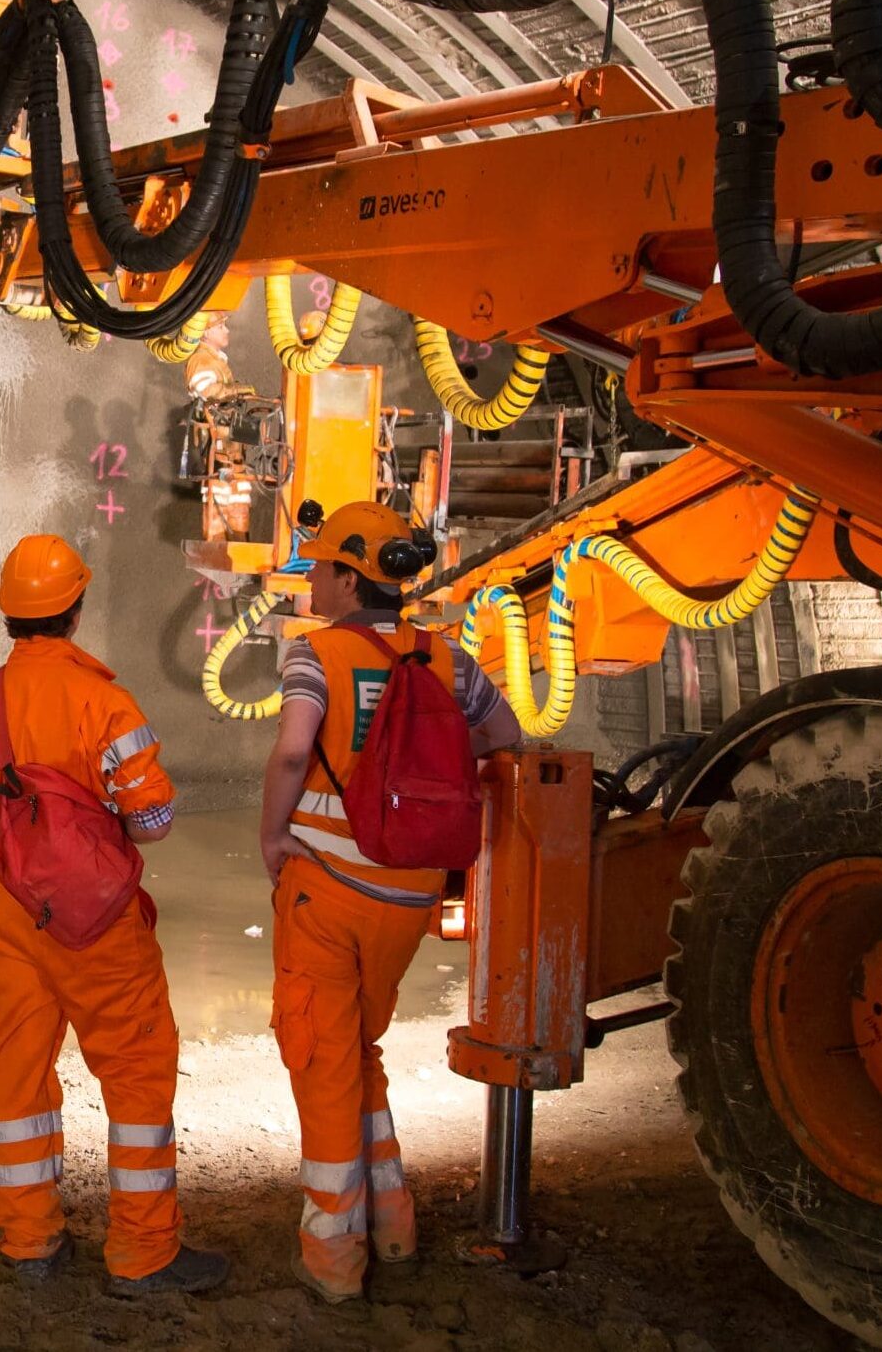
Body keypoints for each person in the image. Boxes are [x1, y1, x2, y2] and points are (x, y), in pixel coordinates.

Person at [0, 535, 227, 1296]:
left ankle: (29, 1243)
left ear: (11, 614)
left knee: (18, 1073)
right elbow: (152, 821)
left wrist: (7, 841)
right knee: (137, 1072)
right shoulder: (104, 702)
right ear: (75, 611)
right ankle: (144, 1252)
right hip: (98, 923)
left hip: (8, 916)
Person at [258, 500, 520, 1302]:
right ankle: (394, 1222)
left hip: (327, 891)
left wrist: (272, 839)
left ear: (345, 576)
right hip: (409, 894)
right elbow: (505, 736)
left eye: (322, 569)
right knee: (359, 1050)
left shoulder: (318, 656)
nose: (314, 583)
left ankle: (335, 1257)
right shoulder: (447, 660)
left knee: (322, 1058)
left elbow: (295, 750)